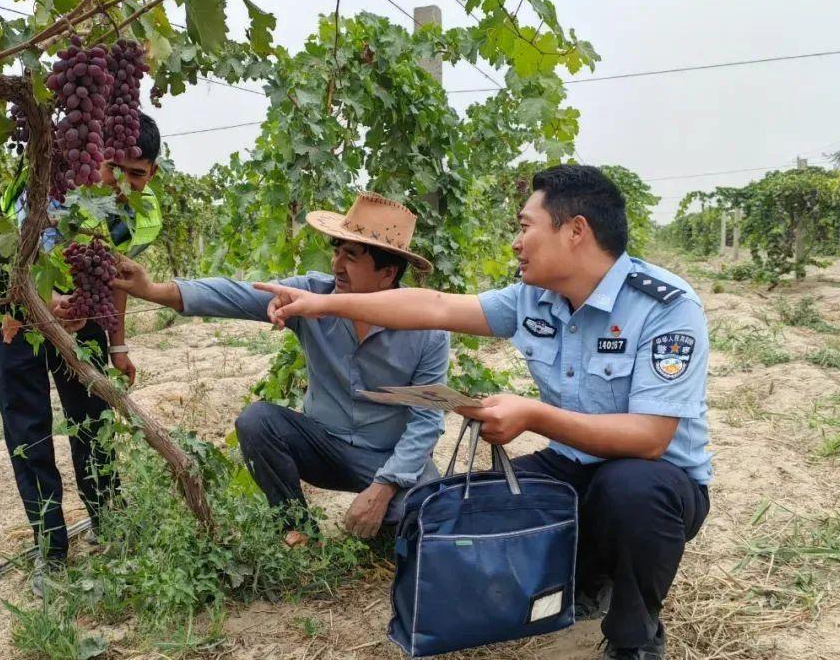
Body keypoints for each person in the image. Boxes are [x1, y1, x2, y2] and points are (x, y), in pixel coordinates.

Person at [255, 166, 711, 660]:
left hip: (656, 481)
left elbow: (649, 438)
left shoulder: (664, 306)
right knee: (462, 504)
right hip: (572, 464)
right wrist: (324, 305)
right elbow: (433, 306)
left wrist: (532, 415)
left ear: (576, 230)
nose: (516, 242)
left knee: (632, 491)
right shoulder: (534, 298)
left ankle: (634, 636)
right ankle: (586, 578)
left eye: (524, 226)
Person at [111, 192, 451, 544]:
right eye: (336, 250)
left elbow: (427, 421)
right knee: (257, 421)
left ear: (388, 273)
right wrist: (151, 290)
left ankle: (391, 516)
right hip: (323, 447)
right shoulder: (312, 297)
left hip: (385, 458)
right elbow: (233, 296)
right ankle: (297, 528)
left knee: (427, 514)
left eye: (351, 256)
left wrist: (383, 488)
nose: (337, 265)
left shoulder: (427, 333)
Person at [0, 113, 163, 596]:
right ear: (95, 153)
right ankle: (51, 548)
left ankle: (108, 521)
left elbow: (114, 274)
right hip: (10, 283)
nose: (121, 181)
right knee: (27, 420)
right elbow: (15, 257)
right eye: (112, 166)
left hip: (77, 298)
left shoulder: (138, 210)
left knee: (92, 410)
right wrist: (39, 305)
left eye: (135, 173)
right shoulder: (54, 180)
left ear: (151, 174)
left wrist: (114, 343)